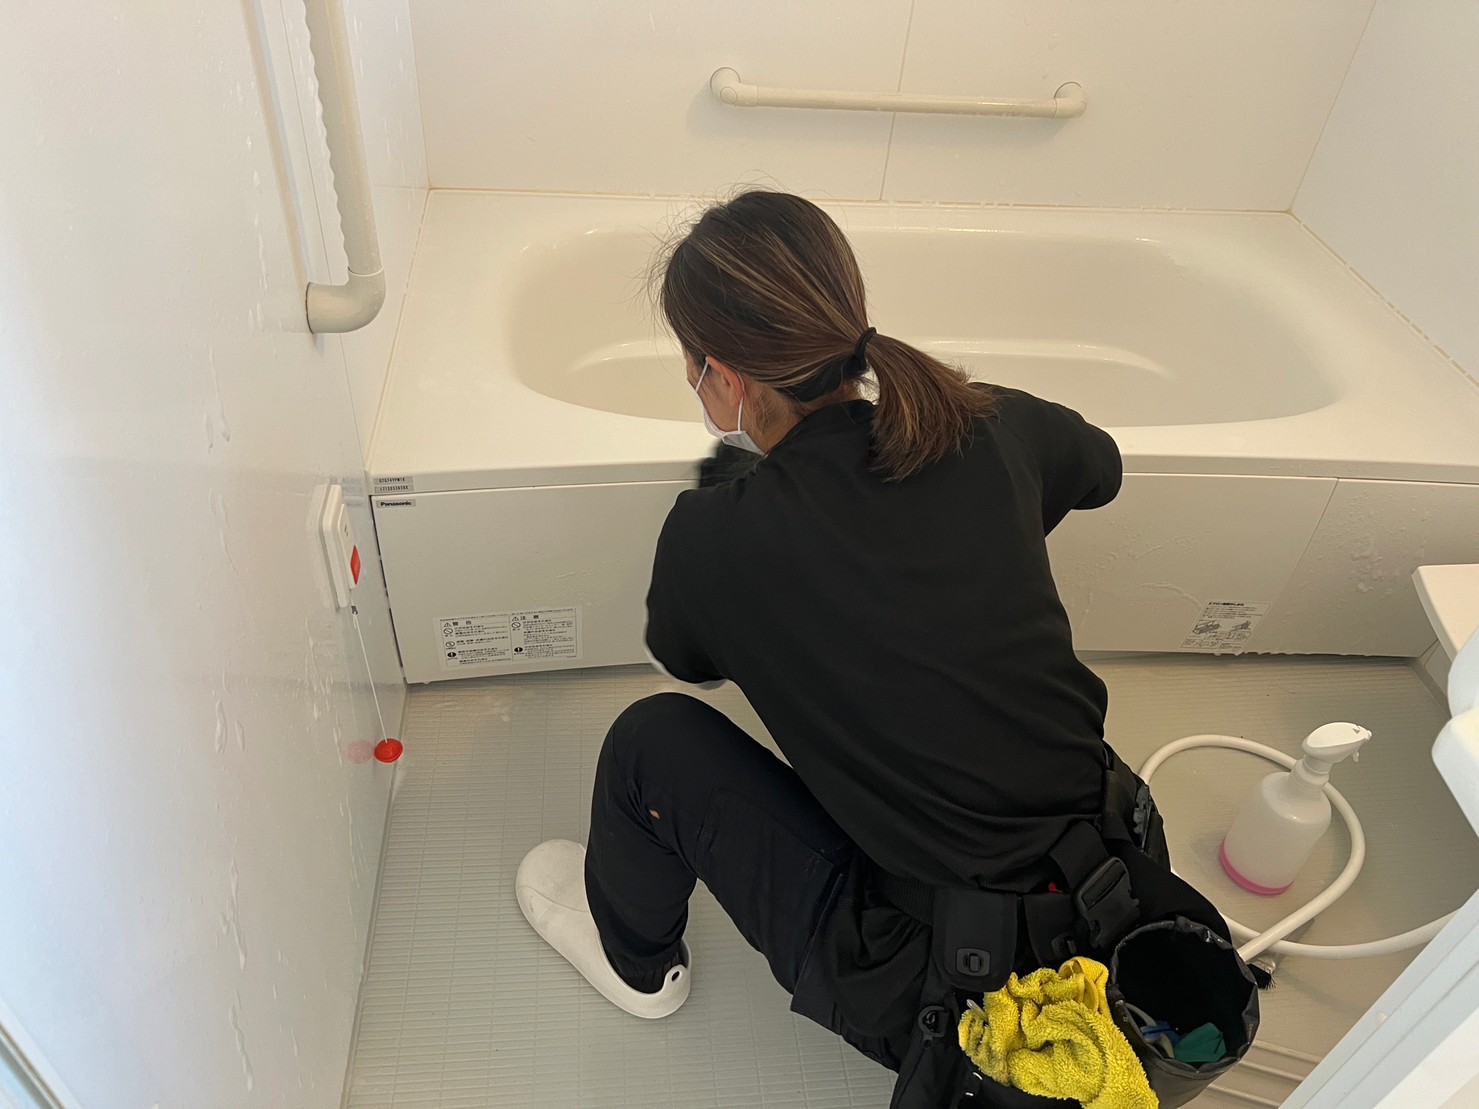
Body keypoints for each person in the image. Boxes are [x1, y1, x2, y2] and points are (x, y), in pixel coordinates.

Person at [516, 190, 1130, 1100]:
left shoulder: (717, 537)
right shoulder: (991, 422)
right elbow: (1101, 468)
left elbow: (686, 658)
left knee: (649, 743)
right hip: (1121, 888)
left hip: (951, 995)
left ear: (723, 378)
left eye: (690, 364)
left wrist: (738, 514)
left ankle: (635, 964)